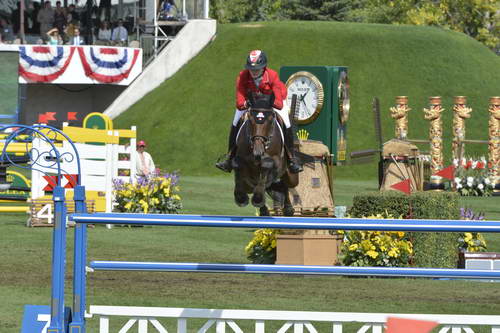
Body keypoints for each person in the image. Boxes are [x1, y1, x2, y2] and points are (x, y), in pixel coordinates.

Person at [216, 50, 303, 174]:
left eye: (257, 69)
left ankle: (291, 159)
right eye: (251, 69)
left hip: (272, 103)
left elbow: (278, 102)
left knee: (287, 123)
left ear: (264, 67)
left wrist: (265, 102)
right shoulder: (242, 76)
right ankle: (229, 158)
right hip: (251, 104)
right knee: (236, 122)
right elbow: (239, 101)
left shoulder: (272, 75)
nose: (253, 72)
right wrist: (246, 103)